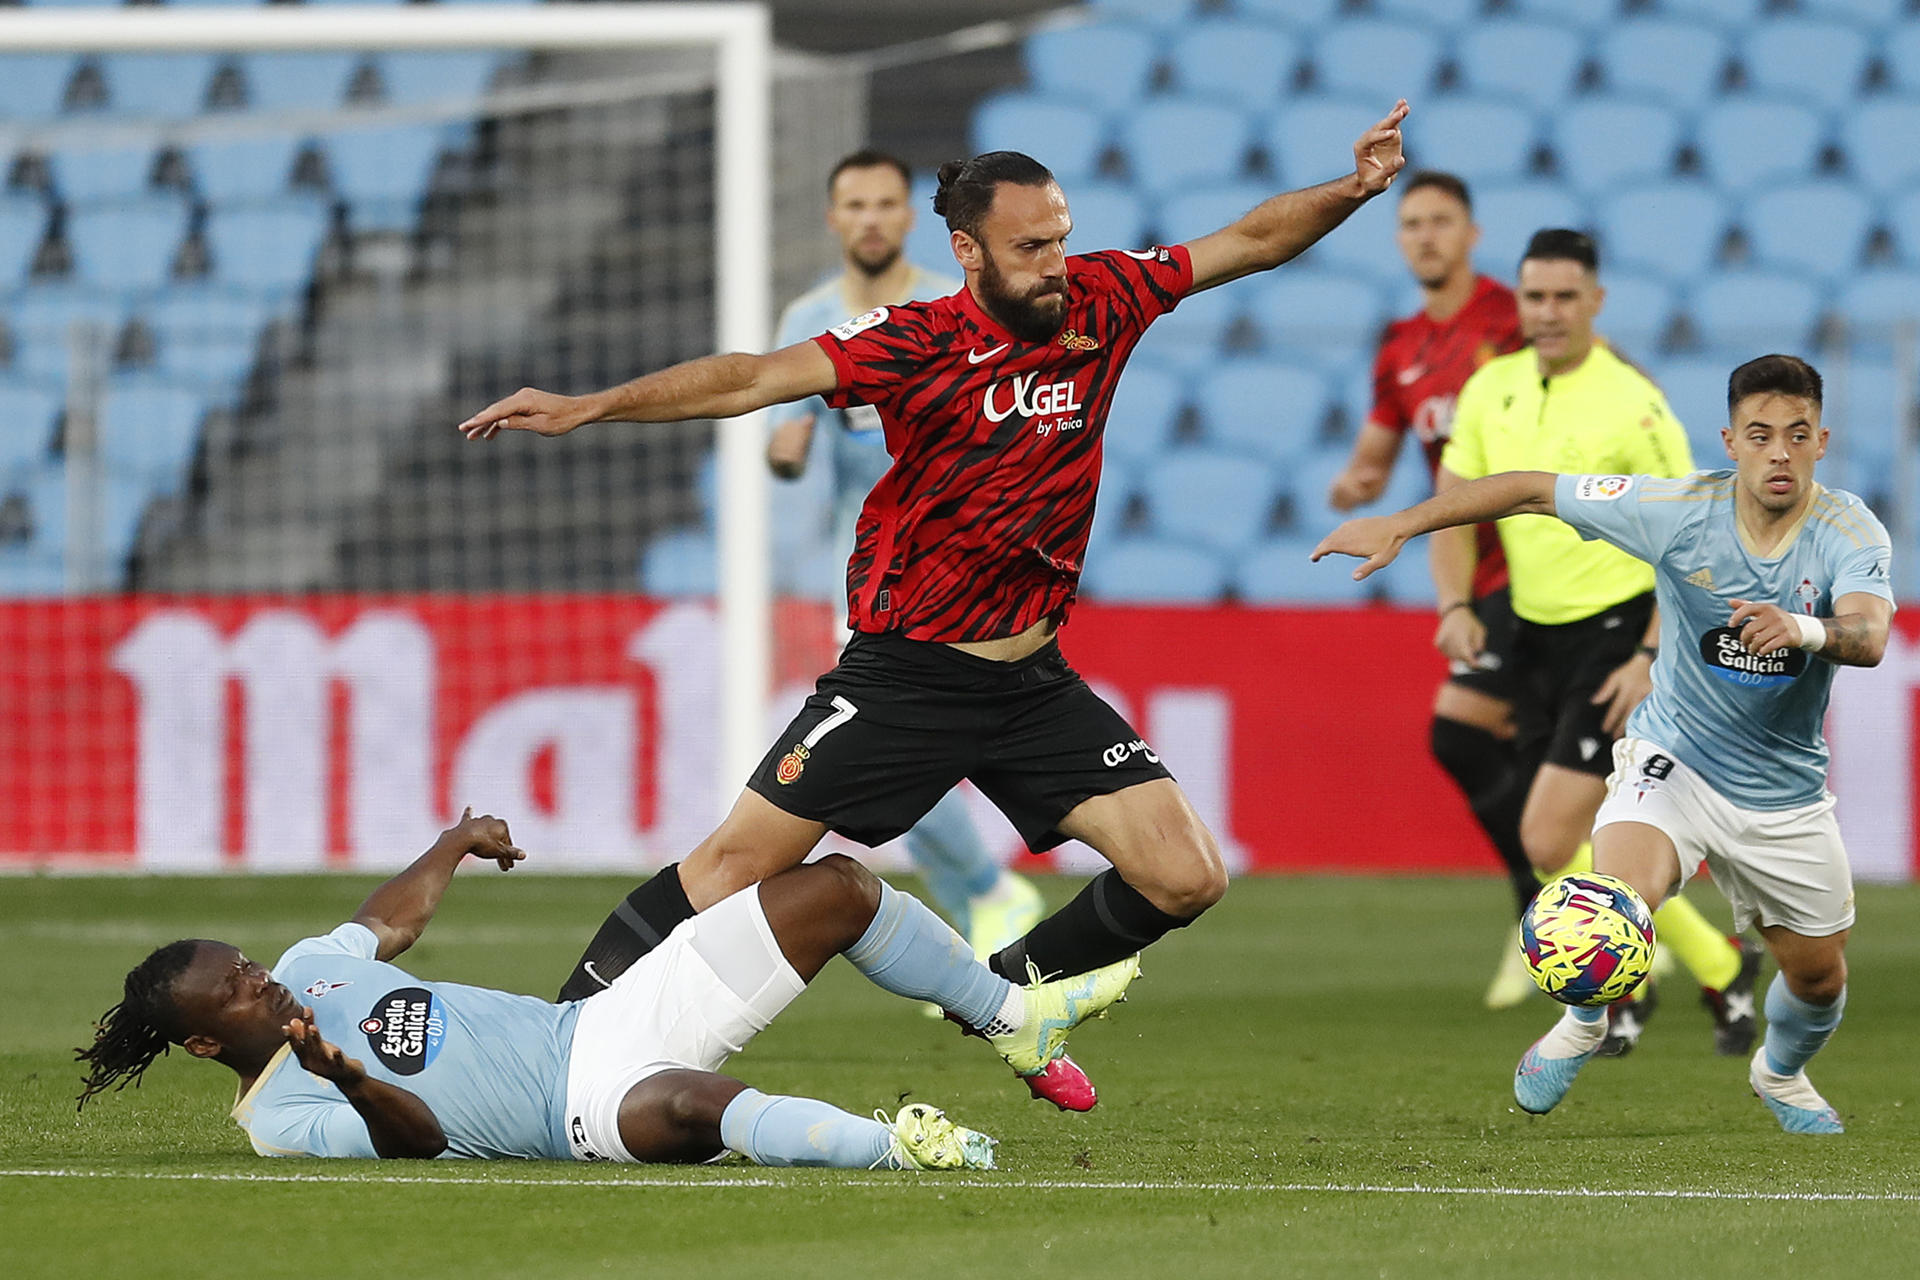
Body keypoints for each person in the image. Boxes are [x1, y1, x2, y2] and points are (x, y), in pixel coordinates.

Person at [456, 102, 1412, 1110]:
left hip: (1035, 680)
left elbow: (1253, 240)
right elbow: (750, 379)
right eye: (1031, 246)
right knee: (733, 861)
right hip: (907, 672)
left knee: (1185, 873)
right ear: (967, 251)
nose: (1056, 261)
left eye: (1062, 238)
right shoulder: (912, 341)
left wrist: (1349, 189)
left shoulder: (1107, 298)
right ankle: (550, 1050)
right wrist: (592, 405)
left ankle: (1003, 995)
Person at [1314, 353, 1893, 1134]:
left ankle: (1780, 1071)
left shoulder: (1847, 530)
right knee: (1607, 905)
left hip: (1782, 796)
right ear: (1730, 441)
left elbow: (1869, 634)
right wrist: (1402, 523)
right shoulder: (1677, 509)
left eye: (1797, 435)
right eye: (1761, 435)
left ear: (1822, 440)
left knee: (1821, 981)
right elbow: (1526, 489)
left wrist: (1804, 626)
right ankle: (1584, 1024)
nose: (1779, 453)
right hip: (1676, 758)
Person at [75, 809, 1136, 1168]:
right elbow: (417, 1141)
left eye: (248, 965)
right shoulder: (286, 1117)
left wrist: (450, 841)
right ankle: (904, 1144)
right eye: (237, 990)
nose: (262, 979)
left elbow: (389, 919)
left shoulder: (310, 968)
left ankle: (1014, 1018)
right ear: (208, 1042)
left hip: (595, 1021)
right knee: (697, 1109)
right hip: (573, 1112)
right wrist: (344, 1073)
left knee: (839, 886)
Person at [1437, 228, 1755, 1057]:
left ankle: (1629, 985)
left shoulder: (1631, 401)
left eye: (1564, 297)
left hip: (1615, 632)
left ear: (1596, 302)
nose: (1547, 313)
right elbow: (1453, 503)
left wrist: (1650, 652)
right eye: (1534, 297)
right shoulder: (1490, 389)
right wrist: (1453, 601)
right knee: (1559, 837)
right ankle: (1714, 964)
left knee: (1547, 837)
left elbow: (1691, 538)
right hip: (1532, 629)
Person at [757, 148, 1043, 969]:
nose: (872, 217)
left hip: (972, 553)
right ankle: (980, 921)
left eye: (887, 203)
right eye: (856, 204)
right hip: (877, 567)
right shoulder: (809, 316)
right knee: (892, 746)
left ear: (907, 217)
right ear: (834, 217)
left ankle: (986, 896)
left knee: (895, 748)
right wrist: (788, 442)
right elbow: (784, 439)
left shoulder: (949, 305)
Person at [1324, 170, 1532, 1008]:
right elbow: (1377, 459)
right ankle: (1612, 925)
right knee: (1531, 756)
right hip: (1477, 575)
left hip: (1541, 569)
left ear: (1472, 232)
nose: (1424, 236)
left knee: (1465, 734)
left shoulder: (1515, 323)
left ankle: (1556, 920)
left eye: (1441, 220)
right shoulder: (1401, 348)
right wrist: (1354, 489)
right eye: (1411, 223)